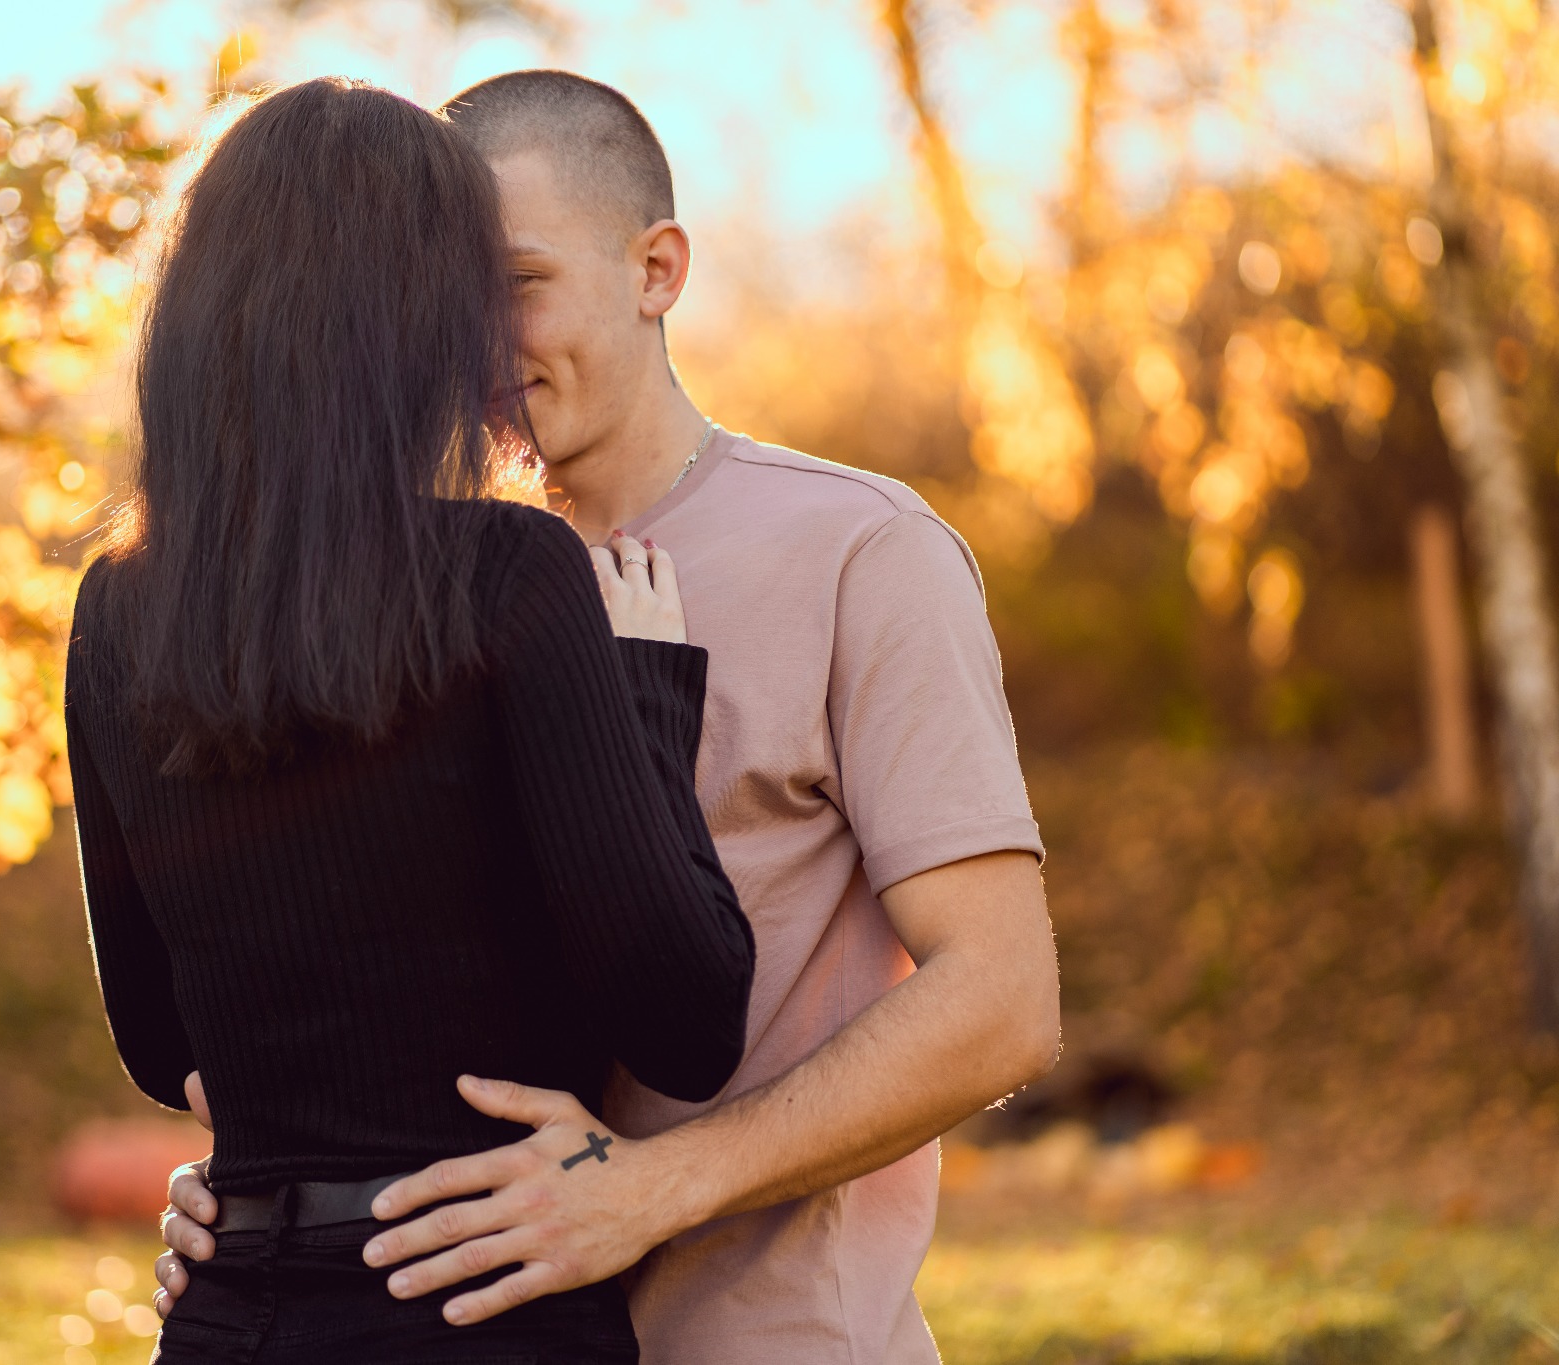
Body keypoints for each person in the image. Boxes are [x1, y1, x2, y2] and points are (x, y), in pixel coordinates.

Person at [155, 70, 1062, 1363]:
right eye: (441, 297)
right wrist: (273, 1202)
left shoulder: (861, 551)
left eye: (518, 284)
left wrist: (652, 1186)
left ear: (657, 269)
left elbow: (1002, 1000)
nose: (475, 341)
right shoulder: (409, 594)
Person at [66, 76, 755, 1364]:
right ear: (419, 317)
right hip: (484, 1306)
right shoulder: (510, 576)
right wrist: (650, 699)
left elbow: (163, 1048)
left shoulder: (118, 609)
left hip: (232, 1317)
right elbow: (687, 1025)